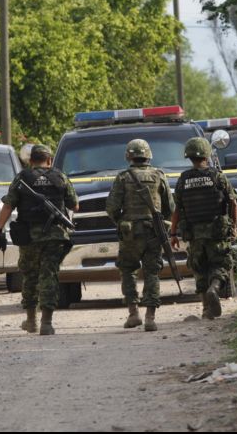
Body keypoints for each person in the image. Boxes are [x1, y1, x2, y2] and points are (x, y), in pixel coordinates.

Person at [0, 144, 79, 336]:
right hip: (55, 236)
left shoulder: (23, 178)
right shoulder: (60, 177)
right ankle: (47, 323)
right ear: (50, 160)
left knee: (30, 276)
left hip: (29, 236)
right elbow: (75, 206)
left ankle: (31, 320)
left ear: (31, 160)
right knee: (49, 276)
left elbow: (8, 206)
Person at [105, 139, 174, 332]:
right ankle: (150, 317)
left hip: (130, 234)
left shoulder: (123, 177)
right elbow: (171, 207)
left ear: (129, 156)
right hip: (153, 231)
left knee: (128, 270)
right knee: (152, 271)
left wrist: (122, 222)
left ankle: (134, 313)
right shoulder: (159, 175)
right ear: (148, 155)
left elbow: (111, 208)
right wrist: (163, 223)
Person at [170, 137, 237, 320]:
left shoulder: (183, 179)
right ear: (207, 154)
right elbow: (233, 203)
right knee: (219, 264)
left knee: (199, 269)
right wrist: (233, 227)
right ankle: (214, 288)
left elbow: (178, 209)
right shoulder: (217, 176)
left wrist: (173, 233)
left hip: (193, 233)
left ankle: (206, 309)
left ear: (188, 156)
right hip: (217, 231)